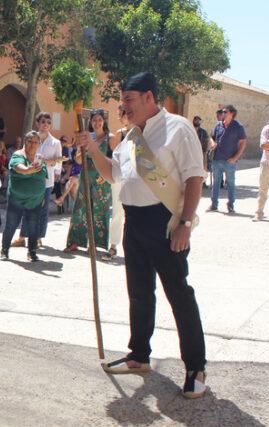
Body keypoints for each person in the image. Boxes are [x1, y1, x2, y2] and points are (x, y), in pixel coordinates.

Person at [76, 71, 207, 399]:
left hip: (165, 223)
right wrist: (92, 149)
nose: (124, 107)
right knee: (138, 293)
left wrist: (185, 224)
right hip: (134, 222)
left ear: (149, 97)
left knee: (178, 293)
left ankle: (196, 367)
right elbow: (113, 175)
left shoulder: (178, 128)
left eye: (129, 101)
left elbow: (194, 178)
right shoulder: (131, 137)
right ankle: (139, 356)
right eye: (122, 102)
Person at [64, 109, 113, 253]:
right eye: (94, 120)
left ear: (104, 122)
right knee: (80, 209)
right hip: (85, 177)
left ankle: (95, 244)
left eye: (99, 120)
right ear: (91, 123)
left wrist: (104, 172)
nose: (97, 123)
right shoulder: (87, 138)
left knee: (99, 211)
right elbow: (78, 160)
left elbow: (115, 160)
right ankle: (75, 241)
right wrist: (81, 150)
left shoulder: (110, 138)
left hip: (102, 178)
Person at [12, 113, 61, 248]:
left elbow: (58, 162)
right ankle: (22, 237)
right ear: (37, 123)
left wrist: (51, 165)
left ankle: (38, 237)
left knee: (42, 210)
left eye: (48, 122)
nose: (46, 124)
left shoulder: (56, 142)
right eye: (43, 122)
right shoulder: (31, 139)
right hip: (30, 178)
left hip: (46, 180)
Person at [0, 131, 47, 262]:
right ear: (25, 142)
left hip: (35, 200)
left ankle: (32, 252)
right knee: (11, 224)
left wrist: (42, 197)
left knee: (33, 226)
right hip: (17, 198)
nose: (32, 144)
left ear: (39, 144)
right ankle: (4, 250)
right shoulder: (18, 155)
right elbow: (19, 168)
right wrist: (28, 170)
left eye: (35, 142)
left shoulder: (39, 158)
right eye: (30, 141)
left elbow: (43, 179)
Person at [208, 105, 246, 214]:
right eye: (222, 112)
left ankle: (231, 205)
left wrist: (235, 158)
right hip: (216, 159)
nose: (222, 113)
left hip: (230, 161)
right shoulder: (218, 125)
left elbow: (243, 142)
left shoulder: (238, 126)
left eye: (225, 111)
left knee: (230, 183)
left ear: (232, 113)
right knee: (216, 183)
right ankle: (214, 205)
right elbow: (211, 137)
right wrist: (212, 143)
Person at [107, 106, 130, 259]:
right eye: (123, 114)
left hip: (135, 178)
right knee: (117, 211)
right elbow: (116, 158)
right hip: (120, 177)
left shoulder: (141, 132)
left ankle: (132, 246)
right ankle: (113, 244)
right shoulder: (119, 134)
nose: (124, 117)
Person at [254, 121, 269, 221]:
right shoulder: (267, 129)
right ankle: (259, 212)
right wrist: (268, 143)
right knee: (263, 189)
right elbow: (264, 146)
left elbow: (268, 145)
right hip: (267, 163)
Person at [193, 116, 209, 180]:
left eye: (198, 121)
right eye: (196, 120)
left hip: (201, 152)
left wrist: (205, 152)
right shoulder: (190, 130)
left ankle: (203, 181)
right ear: (193, 121)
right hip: (192, 152)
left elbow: (206, 141)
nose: (197, 122)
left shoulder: (203, 132)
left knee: (202, 167)